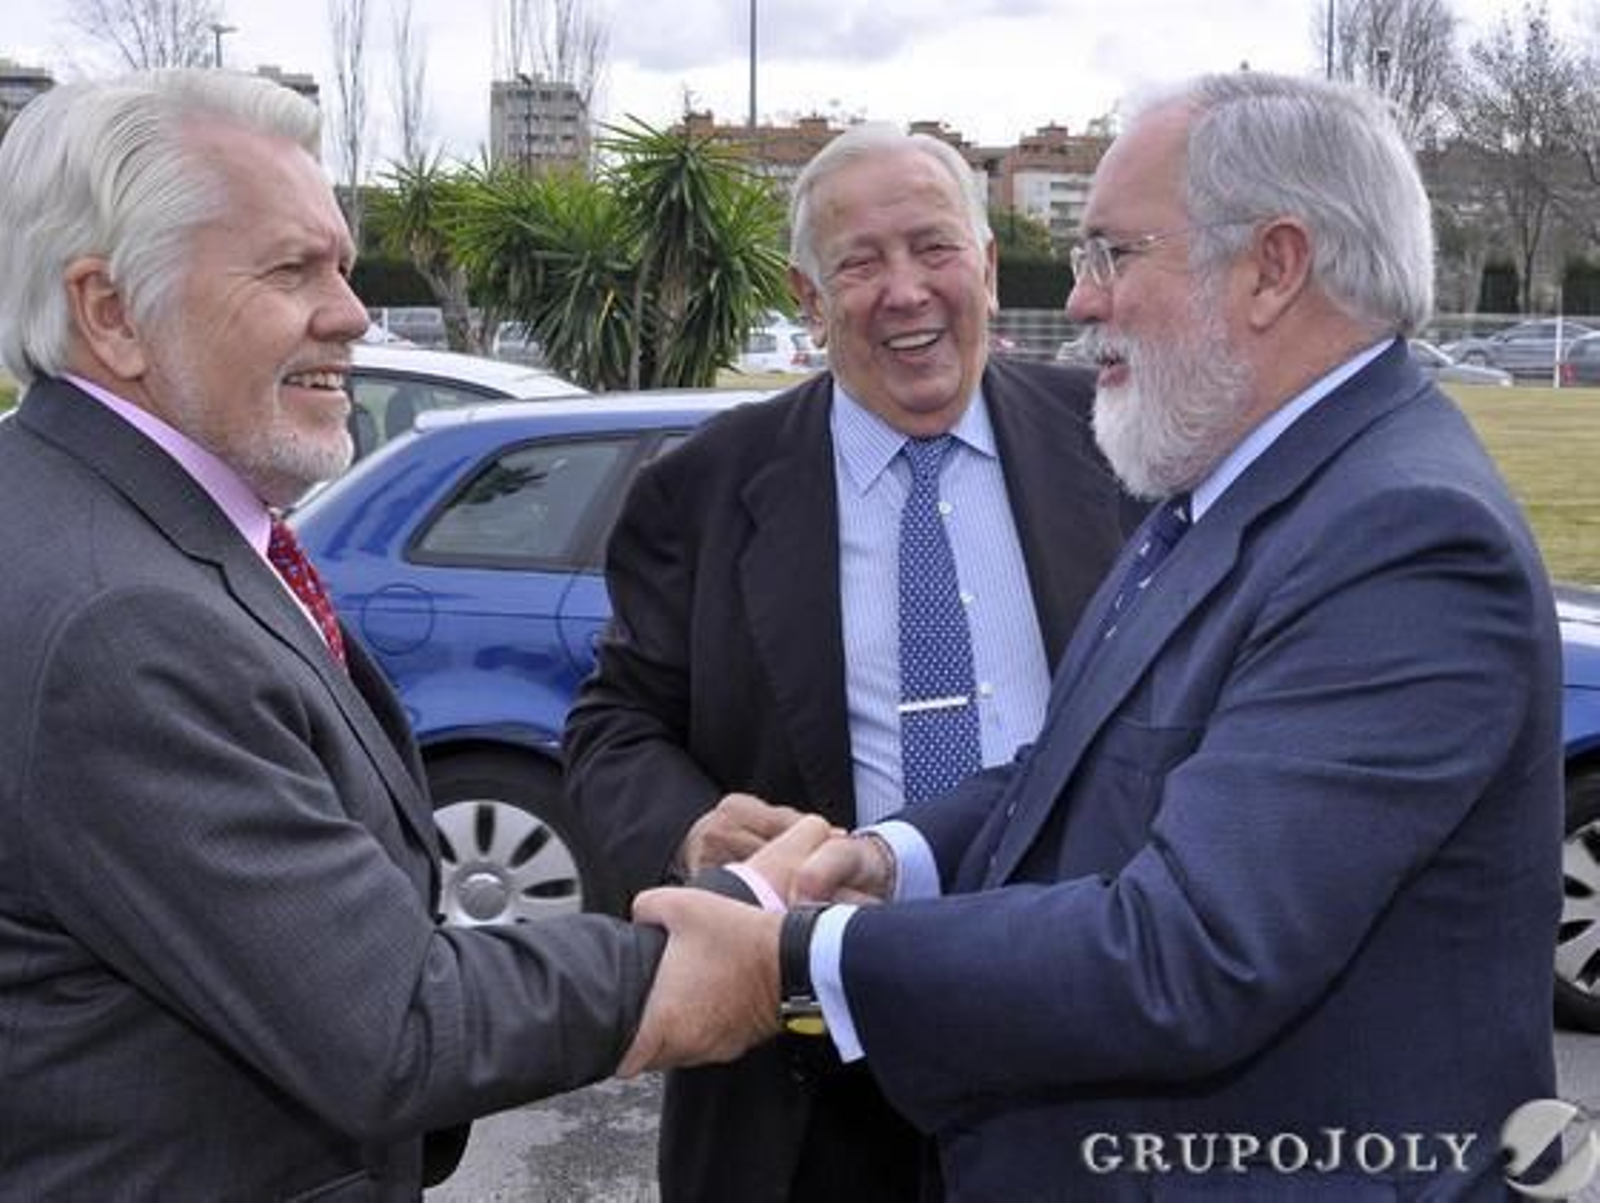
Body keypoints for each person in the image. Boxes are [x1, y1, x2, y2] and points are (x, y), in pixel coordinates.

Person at [619, 71, 1564, 1199]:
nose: (1078, 301)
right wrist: (888, 858)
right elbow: (1076, 766)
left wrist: (794, 955)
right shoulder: (1216, 487)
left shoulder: (1401, 536)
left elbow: (1191, 951)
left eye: (1116, 253)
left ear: (1272, 267)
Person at [0, 68, 685, 1198]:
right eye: (291, 269)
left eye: (345, 266)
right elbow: (391, 1022)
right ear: (112, 312)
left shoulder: (103, 517)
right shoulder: (120, 620)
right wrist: (724, 949)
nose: (355, 314)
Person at [564, 122, 1138, 1200]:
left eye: (932, 249)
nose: (905, 291)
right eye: (860, 264)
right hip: (804, 1074)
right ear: (808, 296)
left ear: (984, 259)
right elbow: (613, 726)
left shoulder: (1118, 449)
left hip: (1077, 1051)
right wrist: (687, 827)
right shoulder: (699, 492)